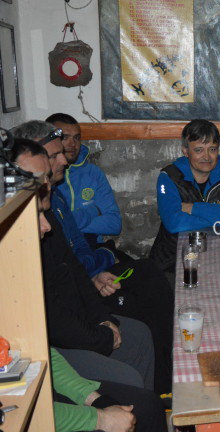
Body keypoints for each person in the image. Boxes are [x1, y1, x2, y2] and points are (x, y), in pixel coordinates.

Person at [12, 121, 173, 395]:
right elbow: (54, 308)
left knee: (149, 275)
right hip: (63, 329)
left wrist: (99, 302)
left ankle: (161, 391)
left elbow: (94, 238)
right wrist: (101, 330)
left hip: (89, 276)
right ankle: (149, 395)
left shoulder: (54, 200)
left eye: (74, 140)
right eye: (55, 154)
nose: (65, 159)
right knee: (145, 289)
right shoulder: (27, 221)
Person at [150, 119, 220, 272]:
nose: (207, 157)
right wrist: (219, 211)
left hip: (219, 257)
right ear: (185, 151)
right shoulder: (169, 177)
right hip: (172, 261)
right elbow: (174, 223)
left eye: (212, 149)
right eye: (199, 150)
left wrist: (193, 208)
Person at [45, 113, 122, 248]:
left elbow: (114, 224)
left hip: (92, 246)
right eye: (65, 137)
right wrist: (93, 211)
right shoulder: (47, 177)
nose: (73, 144)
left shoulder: (93, 173)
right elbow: (52, 226)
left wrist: (69, 222)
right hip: (60, 250)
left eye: (77, 138)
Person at [51, 347, 166, 432]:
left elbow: (48, 358)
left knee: (147, 405)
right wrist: (101, 419)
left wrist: (95, 399)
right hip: (49, 419)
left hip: (52, 395)